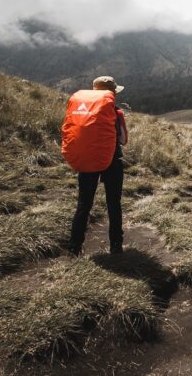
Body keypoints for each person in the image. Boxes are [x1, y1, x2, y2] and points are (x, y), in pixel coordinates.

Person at [68, 76, 128, 255]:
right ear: (112, 93)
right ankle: (116, 246)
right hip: (112, 160)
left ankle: (74, 247)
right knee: (113, 204)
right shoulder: (117, 112)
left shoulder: (82, 110)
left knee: (84, 204)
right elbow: (124, 140)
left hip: (87, 159)